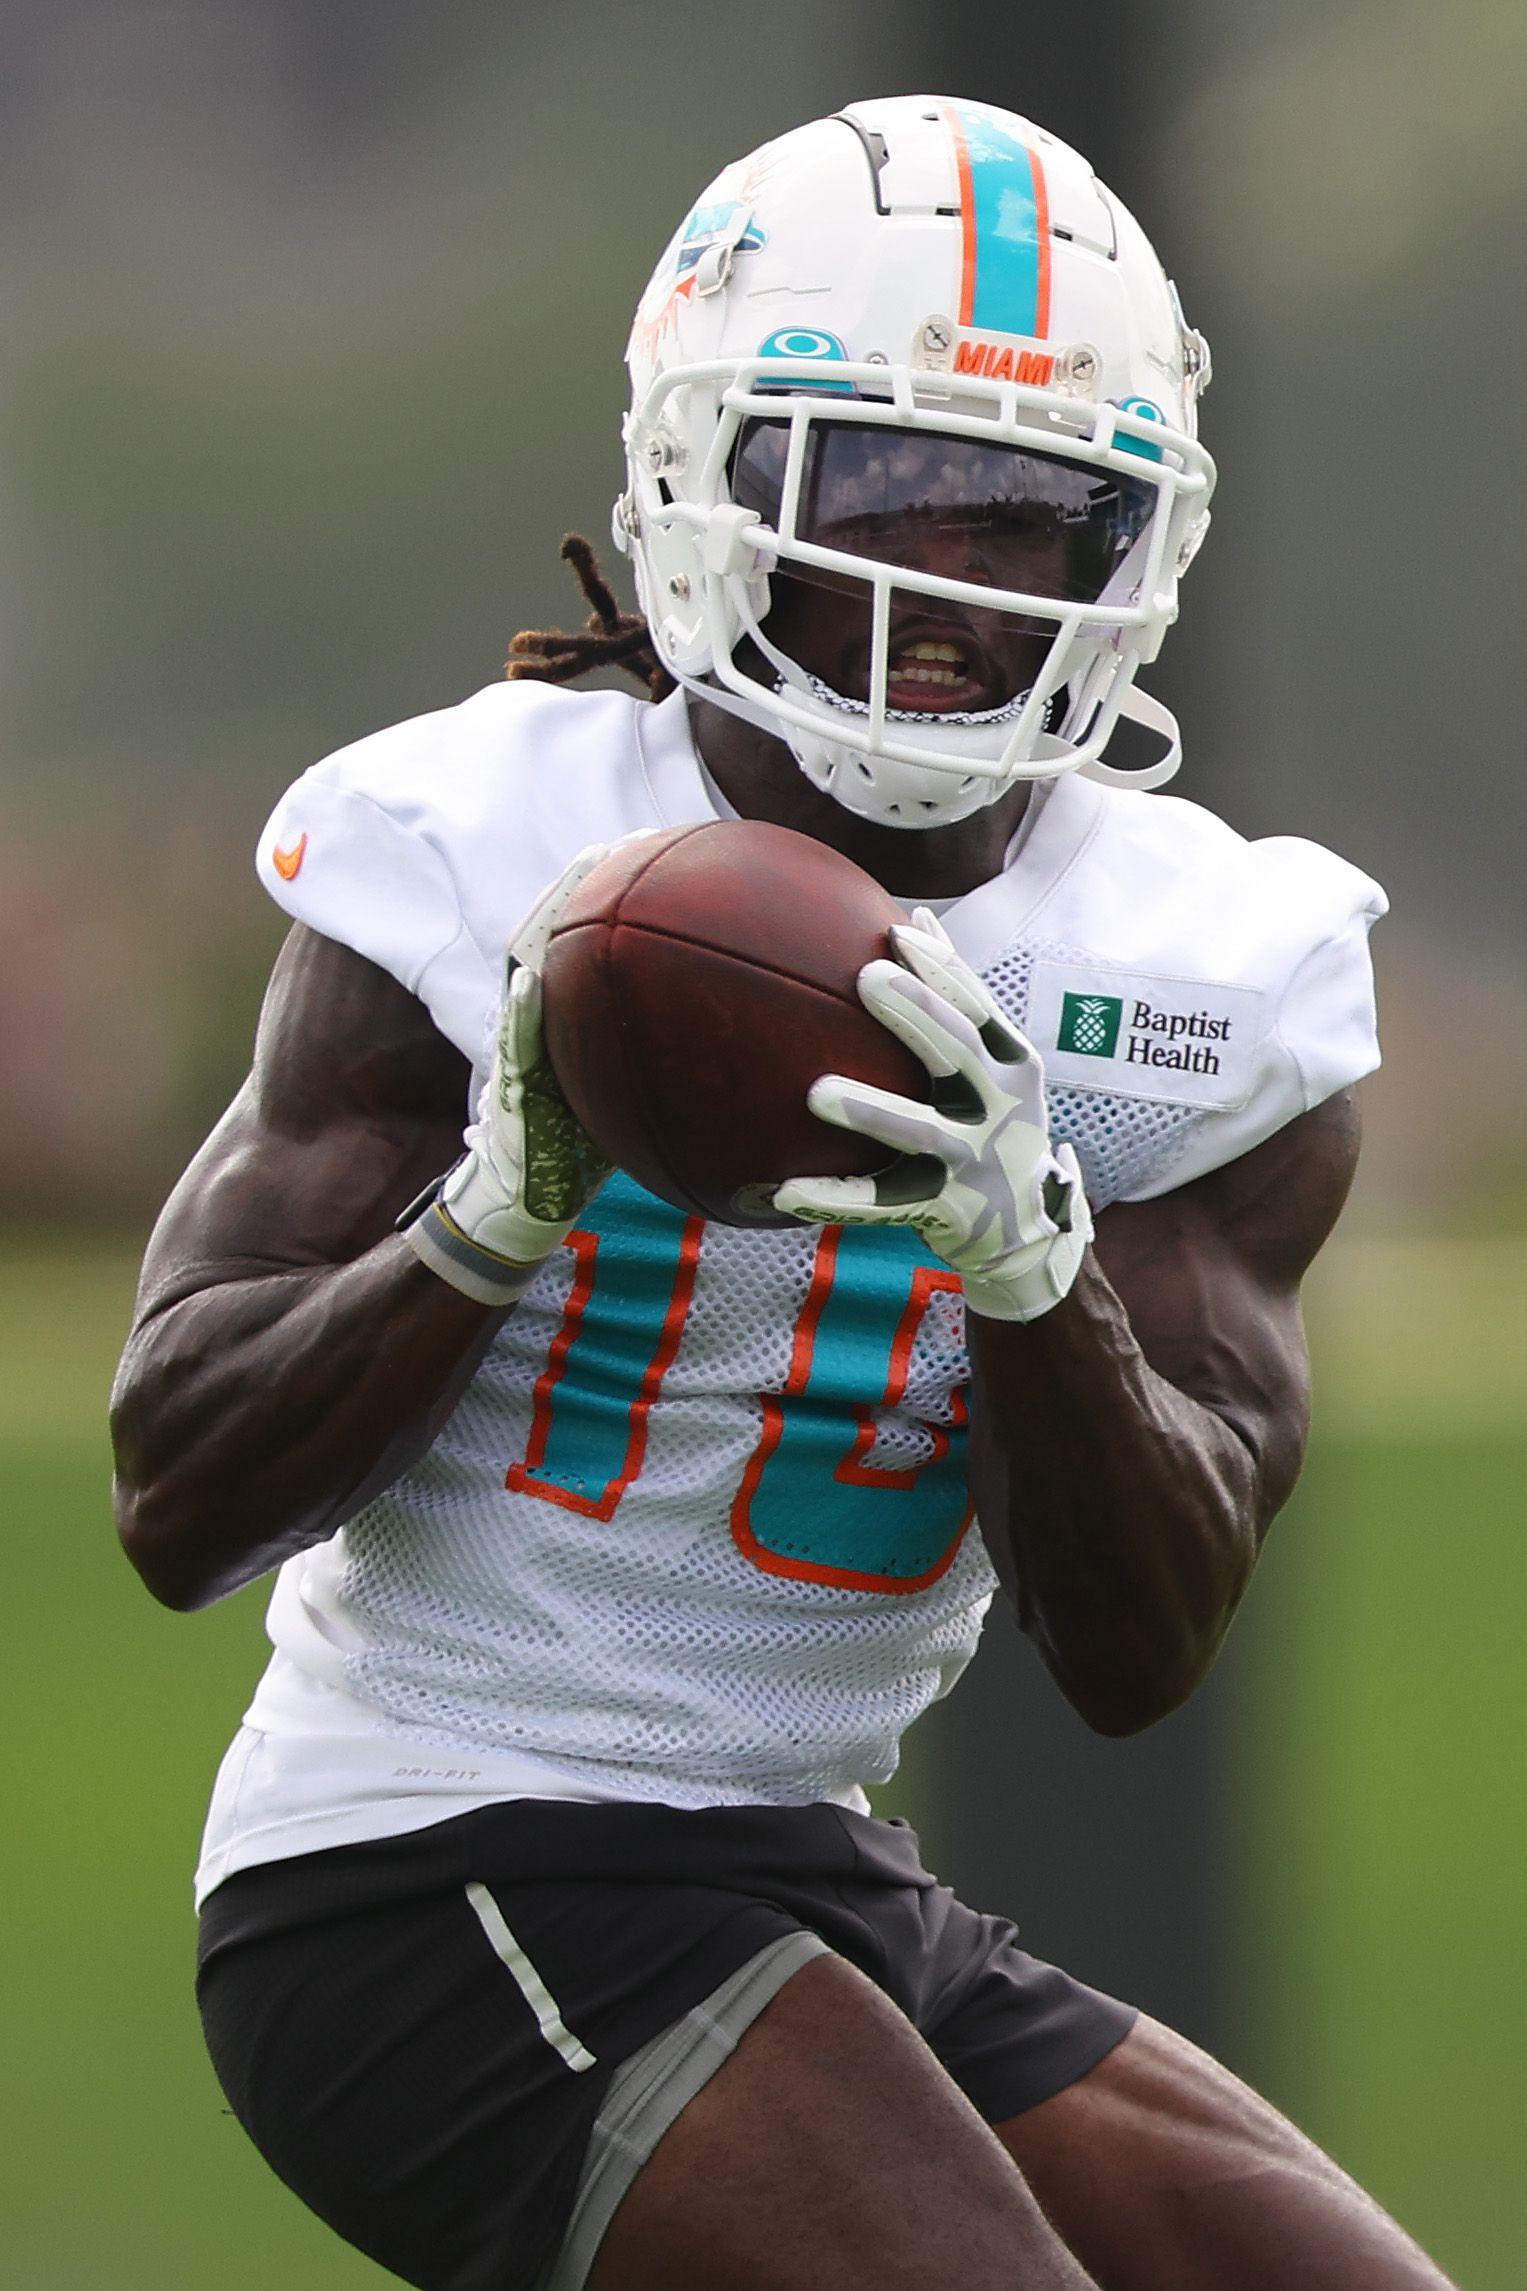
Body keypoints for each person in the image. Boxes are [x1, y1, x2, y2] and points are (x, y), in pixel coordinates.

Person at [110, 97, 1456, 2291]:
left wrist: (1030, 1269)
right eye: (880, 489)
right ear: (699, 488)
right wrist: (488, 1216)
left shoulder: (1211, 970)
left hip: (804, 1864)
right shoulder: (477, 850)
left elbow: (1136, 1649)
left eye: (1039, 514)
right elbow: (176, 1498)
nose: (954, 582)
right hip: (428, 1851)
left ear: (1140, 551)